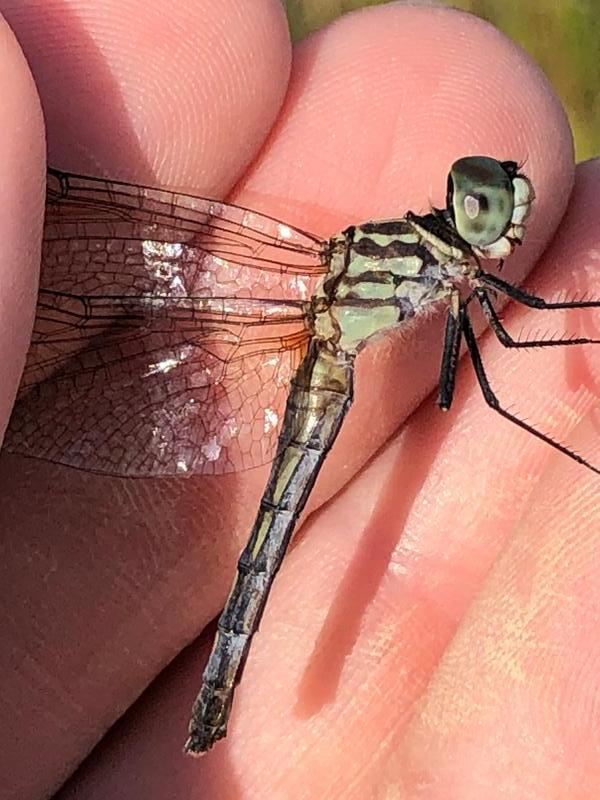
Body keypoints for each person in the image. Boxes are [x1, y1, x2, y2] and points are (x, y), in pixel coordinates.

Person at [1, 1, 599, 797]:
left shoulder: (442, 265)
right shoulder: (451, 269)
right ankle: (219, 688)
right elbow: (504, 364)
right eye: (486, 204)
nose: (503, 214)